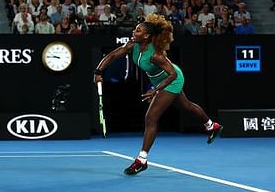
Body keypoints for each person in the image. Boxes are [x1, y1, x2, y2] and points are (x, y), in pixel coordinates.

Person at [93, 14, 222, 175]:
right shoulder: (132, 45)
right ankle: (211, 125)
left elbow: (173, 74)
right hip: (159, 81)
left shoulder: (156, 55)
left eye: (138, 30)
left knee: (151, 118)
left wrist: (156, 90)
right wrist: (98, 71)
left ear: (146, 36)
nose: (134, 32)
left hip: (171, 80)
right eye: (135, 29)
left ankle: (142, 160)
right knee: (186, 105)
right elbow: (112, 55)